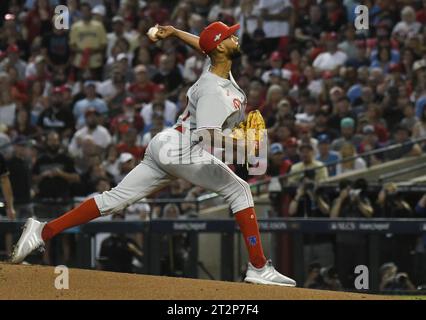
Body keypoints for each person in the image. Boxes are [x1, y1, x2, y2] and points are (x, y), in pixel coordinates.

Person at [11, 21, 296, 287]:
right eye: (231, 35)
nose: (236, 37)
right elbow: (207, 135)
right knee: (240, 190)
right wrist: (244, 147)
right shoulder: (213, 89)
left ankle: (43, 231)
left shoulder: (219, 65)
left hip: (165, 144)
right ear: (222, 46)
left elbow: (204, 44)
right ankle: (258, 267)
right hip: (183, 148)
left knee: (114, 199)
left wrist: (173, 32)